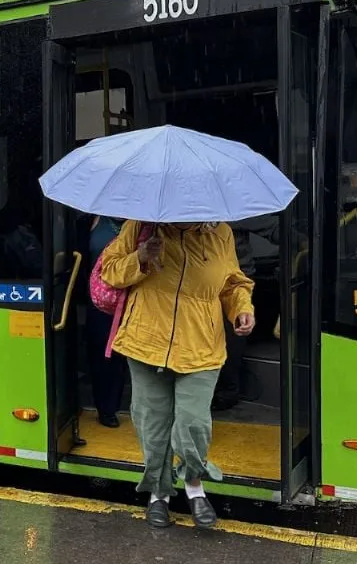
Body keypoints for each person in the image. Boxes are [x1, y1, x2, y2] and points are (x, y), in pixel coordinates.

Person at [99, 221, 255, 529]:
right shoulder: (142, 224)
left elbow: (233, 284)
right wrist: (140, 257)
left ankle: (194, 486)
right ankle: (159, 494)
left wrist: (241, 308)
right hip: (145, 344)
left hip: (202, 347)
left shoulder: (219, 232)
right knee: (153, 425)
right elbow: (110, 271)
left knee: (193, 423)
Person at [85, 215, 127, 428]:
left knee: (123, 357)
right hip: (99, 299)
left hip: (133, 299)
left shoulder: (142, 223)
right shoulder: (95, 218)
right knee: (102, 355)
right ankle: (106, 408)